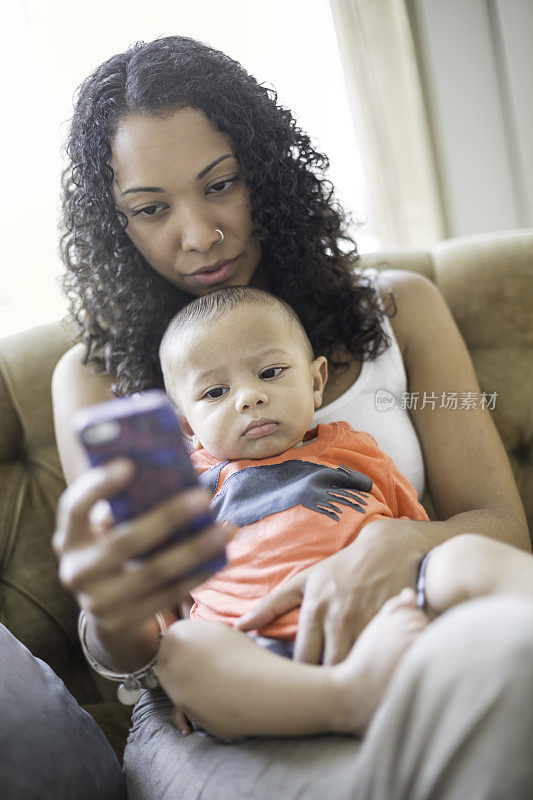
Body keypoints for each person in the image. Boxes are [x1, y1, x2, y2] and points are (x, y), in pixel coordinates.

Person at [2, 34, 529, 800]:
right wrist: (106, 613)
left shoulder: (397, 310)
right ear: (115, 223)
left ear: (268, 173)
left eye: (221, 185)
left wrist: (398, 540)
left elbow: (500, 526)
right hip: (229, 701)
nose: (196, 234)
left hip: (407, 634)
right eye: (150, 209)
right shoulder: (97, 380)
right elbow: (139, 650)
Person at [152, 285, 430, 740]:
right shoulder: (184, 491)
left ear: (316, 382)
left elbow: (416, 536)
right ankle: (344, 700)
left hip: (375, 619)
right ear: (187, 424)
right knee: (183, 650)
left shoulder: (355, 450)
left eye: (270, 372)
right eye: (216, 391)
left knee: (463, 563)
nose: (248, 397)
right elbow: (166, 592)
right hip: (253, 651)